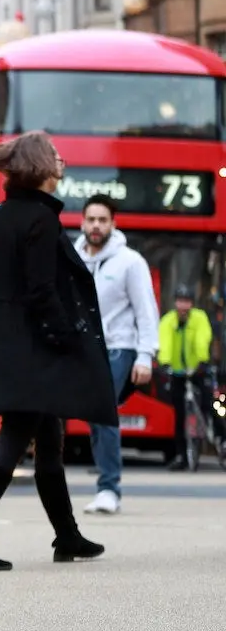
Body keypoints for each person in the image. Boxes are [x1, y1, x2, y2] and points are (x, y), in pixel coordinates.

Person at [0, 131, 114, 571]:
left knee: (50, 438)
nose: (62, 161)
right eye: (56, 157)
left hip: (8, 340)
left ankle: (67, 536)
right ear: (40, 166)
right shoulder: (40, 220)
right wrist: (66, 336)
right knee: (13, 439)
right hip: (33, 345)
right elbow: (42, 290)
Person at [75, 194, 159, 514]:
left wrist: (144, 356)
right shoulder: (72, 257)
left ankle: (109, 488)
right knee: (95, 415)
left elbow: (146, 312)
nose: (96, 226)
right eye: (91, 219)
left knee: (103, 411)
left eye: (103, 220)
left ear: (113, 223)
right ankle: (106, 486)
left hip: (118, 347)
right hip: (83, 350)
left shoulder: (130, 262)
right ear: (82, 222)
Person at [157, 285, 214, 470]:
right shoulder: (168, 321)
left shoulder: (199, 318)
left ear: (192, 303)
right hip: (177, 372)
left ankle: (221, 439)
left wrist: (202, 360)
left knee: (208, 404)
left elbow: (201, 339)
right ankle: (181, 455)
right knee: (179, 414)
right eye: (180, 301)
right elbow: (164, 342)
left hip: (197, 368)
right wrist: (164, 363)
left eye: (187, 301)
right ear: (175, 303)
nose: (183, 305)